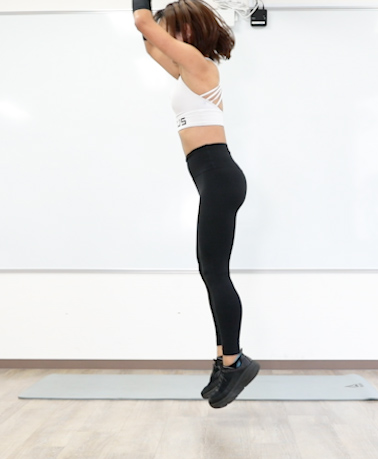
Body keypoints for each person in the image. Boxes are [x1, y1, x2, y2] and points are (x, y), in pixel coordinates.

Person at [133, 0, 259, 409]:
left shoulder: (199, 63)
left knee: (216, 272)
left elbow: (143, 23)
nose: (165, 35)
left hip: (219, 177)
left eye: (171, 28)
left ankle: (235, 362)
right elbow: (149, 42)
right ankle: (225, 360)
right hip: (213, 178)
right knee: (211, 271)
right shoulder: (186, 70)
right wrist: (150, 25)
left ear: (186, 30)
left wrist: (145, 15)